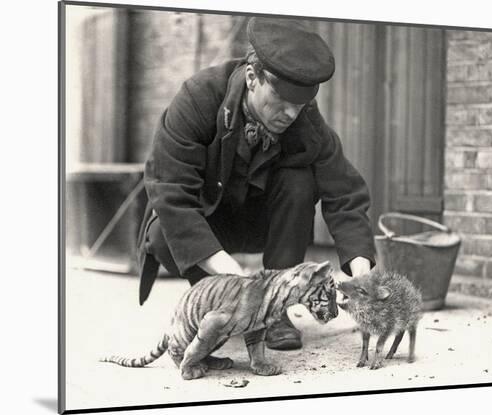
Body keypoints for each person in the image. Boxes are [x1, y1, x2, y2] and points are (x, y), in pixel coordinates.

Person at [136, 17, 376, 350]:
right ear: (252, 78)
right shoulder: (197, 99)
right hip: (210, 222)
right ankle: (221, 304)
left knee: (299, 181)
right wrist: (236, 280)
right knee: (162, 232)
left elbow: (345, 193)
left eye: (299, 106)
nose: (290, 115)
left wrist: (361, 273)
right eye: (282, 102)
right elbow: (170, 193)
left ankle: (276, 312)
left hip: (262, 225)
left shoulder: (306, 123)